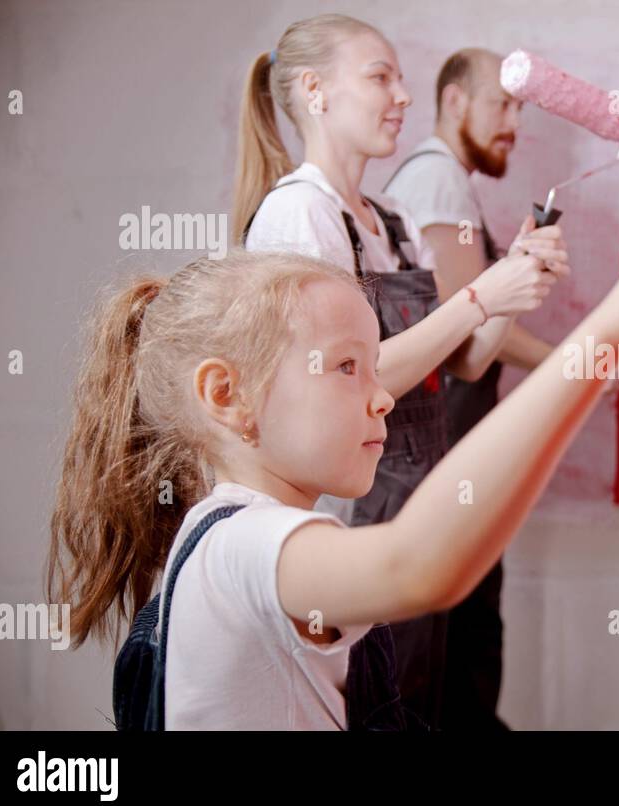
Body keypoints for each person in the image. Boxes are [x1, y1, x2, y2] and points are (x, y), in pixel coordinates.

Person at [46, 206, 619, 729]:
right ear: (226, 396)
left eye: (375, 365)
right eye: (347, 367)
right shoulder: (238, 547)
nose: (382, 395)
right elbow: (420, 564)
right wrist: (610, 325)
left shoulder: (247, 542)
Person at [232, 14, 566, 727]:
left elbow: (469, 358)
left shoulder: (391, 222)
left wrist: (517, 275)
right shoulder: (299, 216)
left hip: (419, 507)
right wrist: (482, 294)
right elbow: (350, 380)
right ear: (313, 90)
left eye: (400, 79)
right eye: (380, 76)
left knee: (425, 707)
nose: (403, 95)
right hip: (356, 520)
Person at [384, 47, 556, 729]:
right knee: (454, 616)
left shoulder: (445, 185)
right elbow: (465, 326)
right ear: (455, 102)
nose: (514, 122)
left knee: (466, 611)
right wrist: (569, 363)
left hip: (450, 445)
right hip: (443, 445)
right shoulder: (438, 183)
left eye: (520, 108)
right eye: (502, 104)